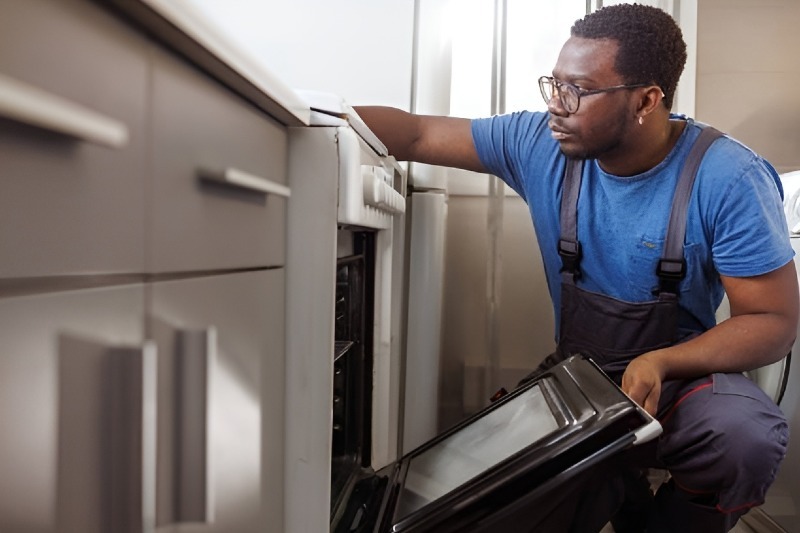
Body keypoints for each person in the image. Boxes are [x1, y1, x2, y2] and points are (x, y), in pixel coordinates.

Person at [354, 4, 798, 532]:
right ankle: (617, 488)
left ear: (646, 100)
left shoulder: (727, 176)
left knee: (743, 436)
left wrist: (660, 362)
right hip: (578, 386)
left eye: (578, 91)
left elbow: (771, 322)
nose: (556, 107)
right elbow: (418, 135)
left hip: (679, 383)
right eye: (554, 85)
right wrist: (305, 119)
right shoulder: (539, 144)